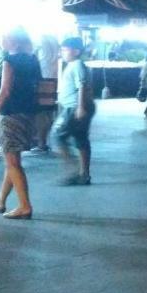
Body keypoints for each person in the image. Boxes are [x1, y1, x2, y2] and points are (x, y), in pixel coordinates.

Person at [0, 29, 39, 219]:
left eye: (3, 37)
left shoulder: (10, 60)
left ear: (13, 41)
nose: (0, 40)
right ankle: (0, 200)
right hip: (27, 113)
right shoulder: (32, 60)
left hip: (10, 114)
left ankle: (24, 206)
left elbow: (4, 91)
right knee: (12, 161)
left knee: (13, 163)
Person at [52, 37, 94, 185]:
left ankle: (74, 169)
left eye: (65, 49)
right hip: (76, 106)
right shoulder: (74, 65)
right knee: (80, 139)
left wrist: (80, 107)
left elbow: (81, 86)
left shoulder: (76, 65)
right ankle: (84, 173)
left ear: (75, 51)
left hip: (73, 107)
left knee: (57, 136)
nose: (62, 52)